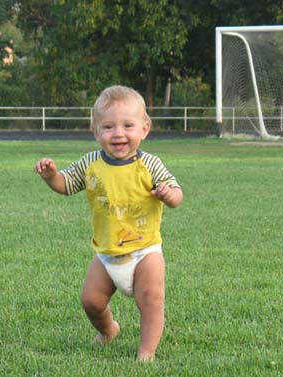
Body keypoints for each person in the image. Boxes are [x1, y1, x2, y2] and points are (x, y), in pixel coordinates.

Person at [35, 85, 183, 362]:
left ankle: (146, 352)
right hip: (106, 254)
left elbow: (177, 194)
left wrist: (169, 194)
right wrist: (51, 177)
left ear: (144, 128)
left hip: (145, 250)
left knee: (151, 299)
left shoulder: (149, 164)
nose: (118, 134)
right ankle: (108, 330)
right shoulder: (90, 164)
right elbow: (66, 185)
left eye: (128, 125)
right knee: (91, 301)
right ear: (95, 132)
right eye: (108, 127)